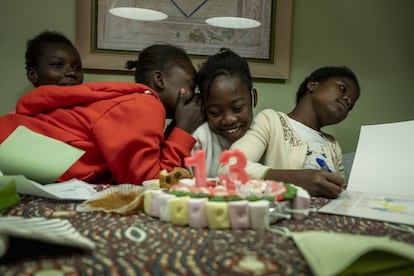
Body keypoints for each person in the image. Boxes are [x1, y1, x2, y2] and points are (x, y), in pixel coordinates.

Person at [0, 43, 203, 185]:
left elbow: (147, 166)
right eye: (190, 85)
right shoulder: (145, 105)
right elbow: (147, 182)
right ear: (159, 80)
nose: (193, 95)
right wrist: (183, 131)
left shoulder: (134, 102)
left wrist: (175, 127)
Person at [219, 66, 360, 198]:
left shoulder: (333, 145)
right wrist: (293, 179)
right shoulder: (271, 120)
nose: (347, 100)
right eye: (342, 88)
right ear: (313, 85)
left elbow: (342, 192)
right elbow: (229, 168)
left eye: (351, 105)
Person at [192, 48, 257, 177]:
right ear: (203, 107)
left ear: (254, 98)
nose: (228, 119)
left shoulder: (265, 132)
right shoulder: (199, 142)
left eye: (237, 108)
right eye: (215, 112)